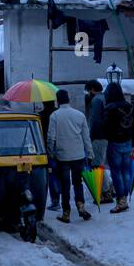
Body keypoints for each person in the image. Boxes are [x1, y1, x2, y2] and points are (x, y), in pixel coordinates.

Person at [46, 88, 95, 224]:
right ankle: (81, 205)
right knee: (77, 183)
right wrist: (90, 153)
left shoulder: (54, 116)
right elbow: (86, 137)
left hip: (63, 156)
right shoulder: (79, 115)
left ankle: (66, 212)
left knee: (65, 184)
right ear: (69, 99)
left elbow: (51, 138)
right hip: (78, 155)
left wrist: (51, 153)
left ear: (57, 101)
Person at [101, 81, 134, 214]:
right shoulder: (131, 107)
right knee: (126, 171)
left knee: (116, 172)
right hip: (128, 143)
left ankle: (121, 201)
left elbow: (106, 127)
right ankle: (126, 197)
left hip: (114, 143)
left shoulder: (109, 108)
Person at [85, 79, 114, 204]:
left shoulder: (96, 100)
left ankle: (106, 192)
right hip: (105, 135)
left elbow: (95, 120)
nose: (88, 93)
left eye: (88, 90)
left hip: (98, 136)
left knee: (96, 165)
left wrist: (90, 137)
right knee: (99, 164)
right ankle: (108, 189)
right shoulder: (104, 98)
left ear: (92, 89)